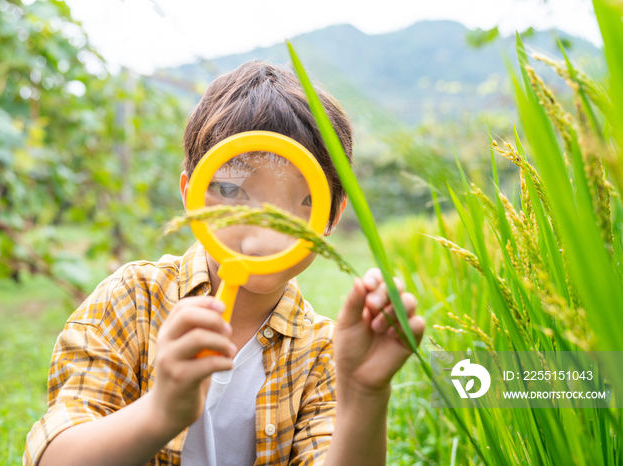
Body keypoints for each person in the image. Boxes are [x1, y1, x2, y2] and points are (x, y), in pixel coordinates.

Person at [23, 60, 424, 466]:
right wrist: (159, 412)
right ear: (190, 195)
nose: (262, 236)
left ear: (332, 217)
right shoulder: (131, 301)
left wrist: (363, 398)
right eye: (231, 189)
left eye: (303, 202)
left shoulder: (325, 352)